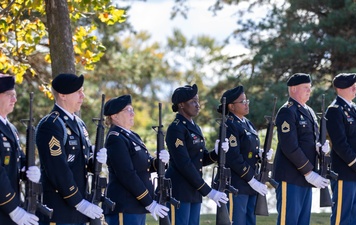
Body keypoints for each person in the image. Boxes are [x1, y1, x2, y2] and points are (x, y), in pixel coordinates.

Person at [35, 73, 106, 225]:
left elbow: (81, 164)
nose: (83, 95)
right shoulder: (51, 125)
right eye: (78, 92)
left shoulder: (79, 124)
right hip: (60, 212)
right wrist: (79, 202)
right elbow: (58, 170)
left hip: (79, 212)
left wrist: (96, 161)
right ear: (62, 95)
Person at [165, 84, 229, 225]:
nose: (197, 105)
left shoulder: (195, 127)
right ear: (181, 105)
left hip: (194, 190)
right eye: (193, 101)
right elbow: (184, 164)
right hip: (180, 190)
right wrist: (208, 191)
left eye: (198, 101)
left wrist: (216, 153)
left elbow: (200, 159)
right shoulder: (176, 128)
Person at [103, 94, 169, 225]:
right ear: (114, 116)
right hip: (125, 205)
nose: (132, 114)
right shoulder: (115, 138)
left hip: (137, 205)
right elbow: (126, 174)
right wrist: (149, 202)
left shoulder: (133, 135)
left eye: (132, 110)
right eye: (128, 110)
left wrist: (160, 162)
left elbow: (145, 166)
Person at [273, 73, 330, 225]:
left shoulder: (310, 111)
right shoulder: (287, 111)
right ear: (293, 89)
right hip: (290, 176)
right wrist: (309, 172)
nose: (309, 91)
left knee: (303, 222)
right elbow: (289, 146)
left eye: (310, 88)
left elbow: (313, 138)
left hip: (305, 178)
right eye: (305, 87)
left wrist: (320, 147)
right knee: (289, 221)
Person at [216, 85, 271, 225]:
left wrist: (260, 155)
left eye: (247, 101)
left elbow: (249, 151)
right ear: (231, 107)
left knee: (249, 221)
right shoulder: (229, 125)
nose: (246, 104)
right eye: (242, 101)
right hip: (237, 184)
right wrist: (251, 179)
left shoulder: (248, 124)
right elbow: (234, 157)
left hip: (250, 184)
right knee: (237, 221)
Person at [0, 74, 41, 225]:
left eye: (15, 95)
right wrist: (13, 208)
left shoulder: (10, 128)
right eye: (9, 95)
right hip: (6, 208)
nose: (14, 100)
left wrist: (28, 170)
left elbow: (18, 160)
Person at [325, 73, 356, 225]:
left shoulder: (353, 108)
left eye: (355, 85)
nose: (355, 88)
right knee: (342, 217)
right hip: (345, 171)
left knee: (354, 216)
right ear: (340, 88)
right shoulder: (335, 110)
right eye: (350, 85)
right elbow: (340, 144)